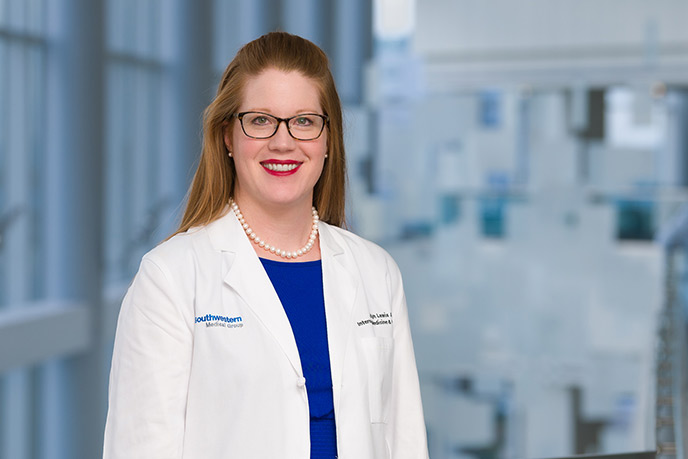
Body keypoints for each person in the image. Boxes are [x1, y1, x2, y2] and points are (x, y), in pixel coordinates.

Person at [103, 31, 428, 459]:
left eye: (305, 121)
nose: (283, 141)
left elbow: (404, 440)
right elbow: (140, 448)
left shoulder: (376, 271)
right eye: (260, 120)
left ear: (329, 140)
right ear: (227, 137)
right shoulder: (172, 276)